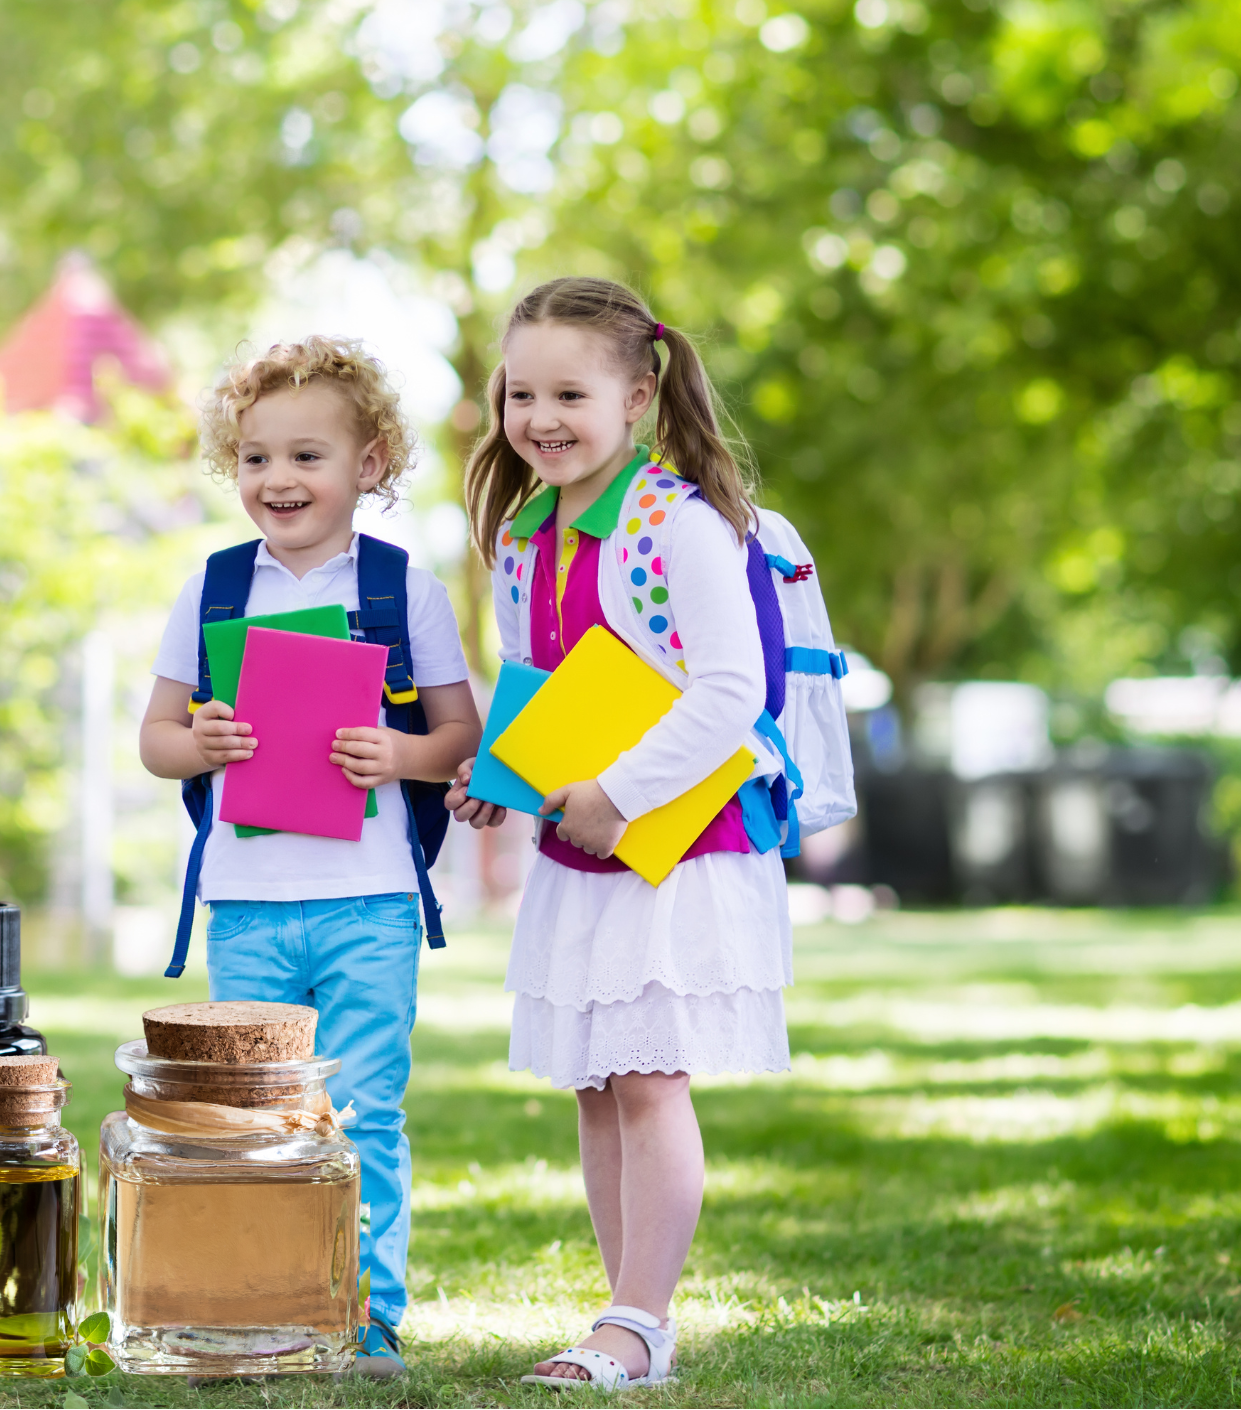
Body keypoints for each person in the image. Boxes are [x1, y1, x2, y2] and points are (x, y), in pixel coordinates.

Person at [446, 277, 794, 1390]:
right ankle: (626, 1318)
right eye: (520, 394)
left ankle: (636, 1318)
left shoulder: (677, 524)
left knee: (647, 1078)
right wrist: (497, 773)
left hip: (674, 847)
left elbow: (729, 689)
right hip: (578, 845)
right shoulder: (521, 535)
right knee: (598, 1081)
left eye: (569, 393)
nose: (539, 418)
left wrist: (620, 791)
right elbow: (537, 681)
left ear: (636, 396)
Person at [139, 336, 481, 1378]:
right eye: (253, 459)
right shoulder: (210, 593)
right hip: (245, 905)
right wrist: (195, 742)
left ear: (369, 464)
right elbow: (154, 741)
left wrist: (400, 752)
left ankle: (366, 1313)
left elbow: (461, 735)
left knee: (363, 1109)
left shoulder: (401, 589)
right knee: (252, 1121)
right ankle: (270, 1310)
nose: (276, 481)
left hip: (368, 902)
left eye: (305, 457)